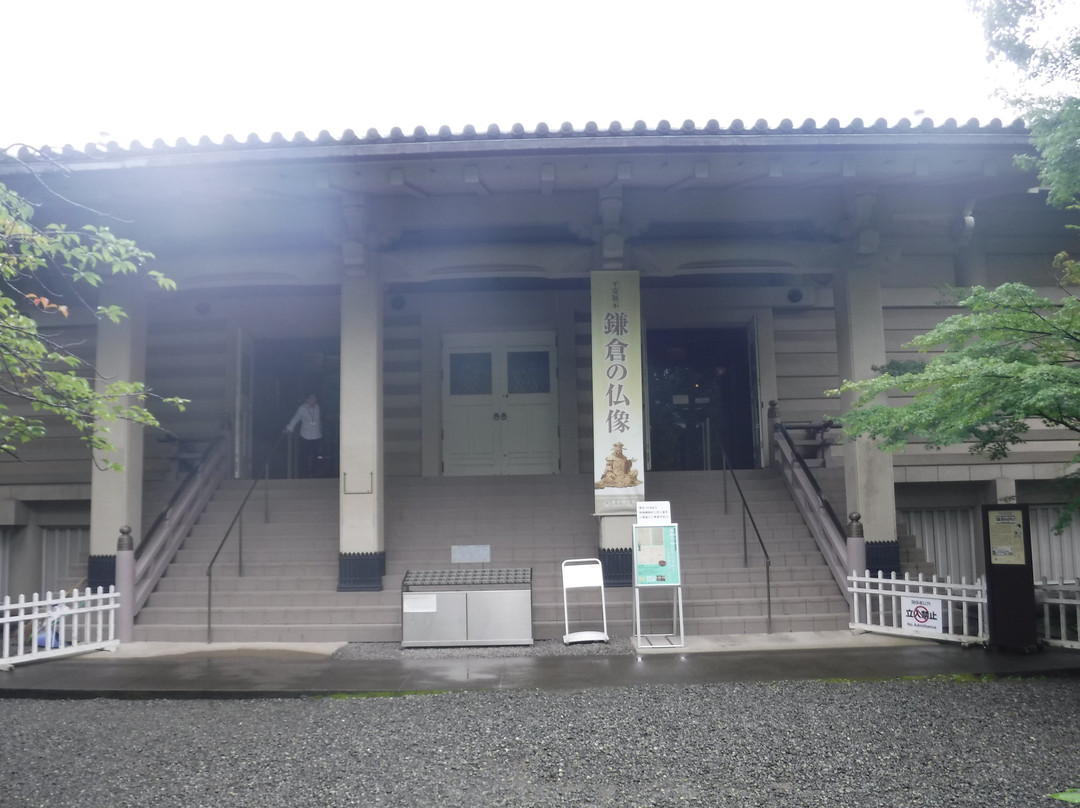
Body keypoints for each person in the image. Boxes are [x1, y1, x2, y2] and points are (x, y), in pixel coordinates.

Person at [284, 393, 322, 478]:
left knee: (315, 455)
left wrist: (320, 428)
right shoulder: (302, 408)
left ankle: (313, 473)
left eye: (315, 398)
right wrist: (289, 428)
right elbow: (295, 418)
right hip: (305, 435)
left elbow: (318, 420)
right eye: (312, 398)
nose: (314, 400)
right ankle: (305, 474)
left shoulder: (317, 407)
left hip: (316, 435)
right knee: (305, 455)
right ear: (307, 400)